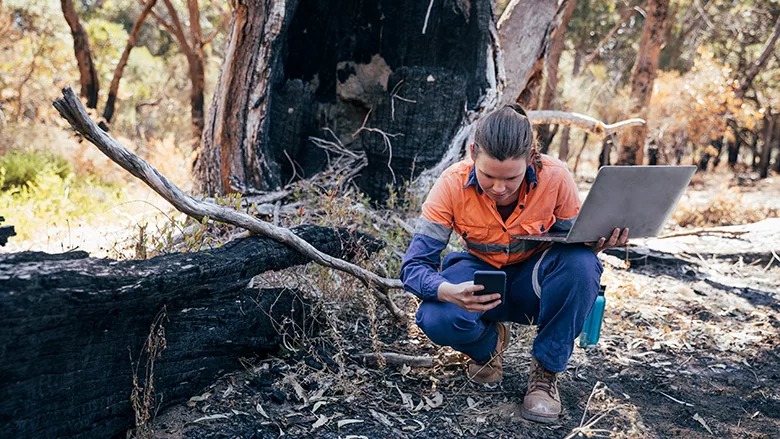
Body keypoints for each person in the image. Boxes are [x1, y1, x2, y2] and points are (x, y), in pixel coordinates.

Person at [400, 104, 629, 424]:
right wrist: (448, 290)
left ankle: (545, 375)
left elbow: (574, 250)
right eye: (488, 176)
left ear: (532, 156)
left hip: (534, 285)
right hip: (480, 282)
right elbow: (414, 267)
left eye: (511, 178)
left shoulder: (556, 177)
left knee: (582, 264)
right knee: (434, 315)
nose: (499, 188)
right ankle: (488, 347)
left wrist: (598, 242)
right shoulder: (451, 184)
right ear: (471, 153)